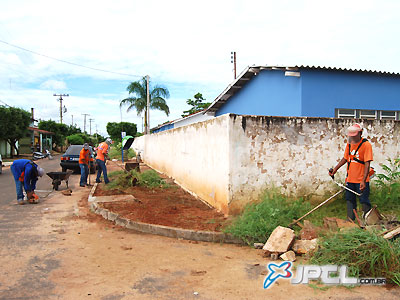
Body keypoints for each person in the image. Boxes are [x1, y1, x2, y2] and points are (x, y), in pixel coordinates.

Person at [329, 123, 373, 220]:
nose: (352, 138)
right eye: (351, 136)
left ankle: (368, 221)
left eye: (354, 136)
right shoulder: (349, 144)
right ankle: (350, 221)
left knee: (364, 200)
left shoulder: (366, 145)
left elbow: (367, 163)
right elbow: (345, 158)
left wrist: (363, 180)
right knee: (349, 199)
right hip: (350, 179)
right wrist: (335, 169)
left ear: (360, 133)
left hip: (361, 179)